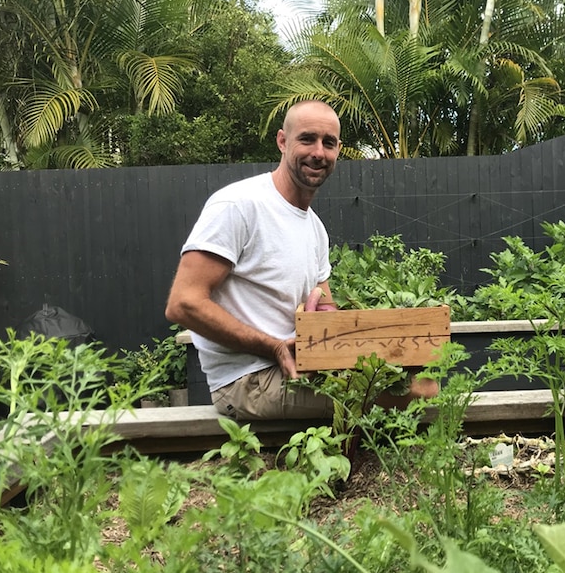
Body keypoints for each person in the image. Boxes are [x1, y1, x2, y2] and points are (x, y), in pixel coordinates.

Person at [165, 100, 438, 420]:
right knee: (420, 393)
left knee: (418, 376)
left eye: (329, 143)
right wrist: (275, 347)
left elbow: (325, 317)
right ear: (282, 141)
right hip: (247, 381)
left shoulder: (315, 229)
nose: (318, 153)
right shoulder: (239, 205)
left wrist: (385, 342)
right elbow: (182, 304)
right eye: (307, 139)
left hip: (304, 368)